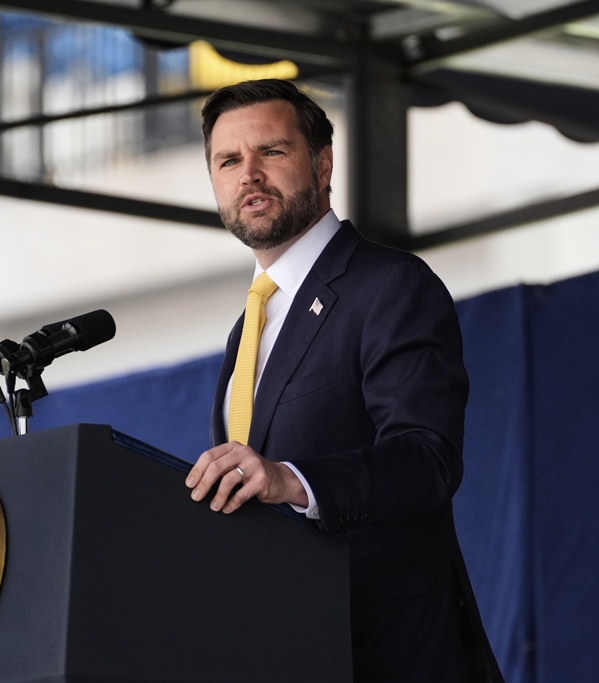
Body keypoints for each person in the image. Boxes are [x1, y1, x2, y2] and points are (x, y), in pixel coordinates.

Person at [185, 79, 503, 683]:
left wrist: (292, 479)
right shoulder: (248, 328)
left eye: (271, 151)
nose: (249, 174)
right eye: (228, 161)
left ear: (323, 164)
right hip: (285, 651)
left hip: (384, 651)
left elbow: (427, 457)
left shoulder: (389, 285)